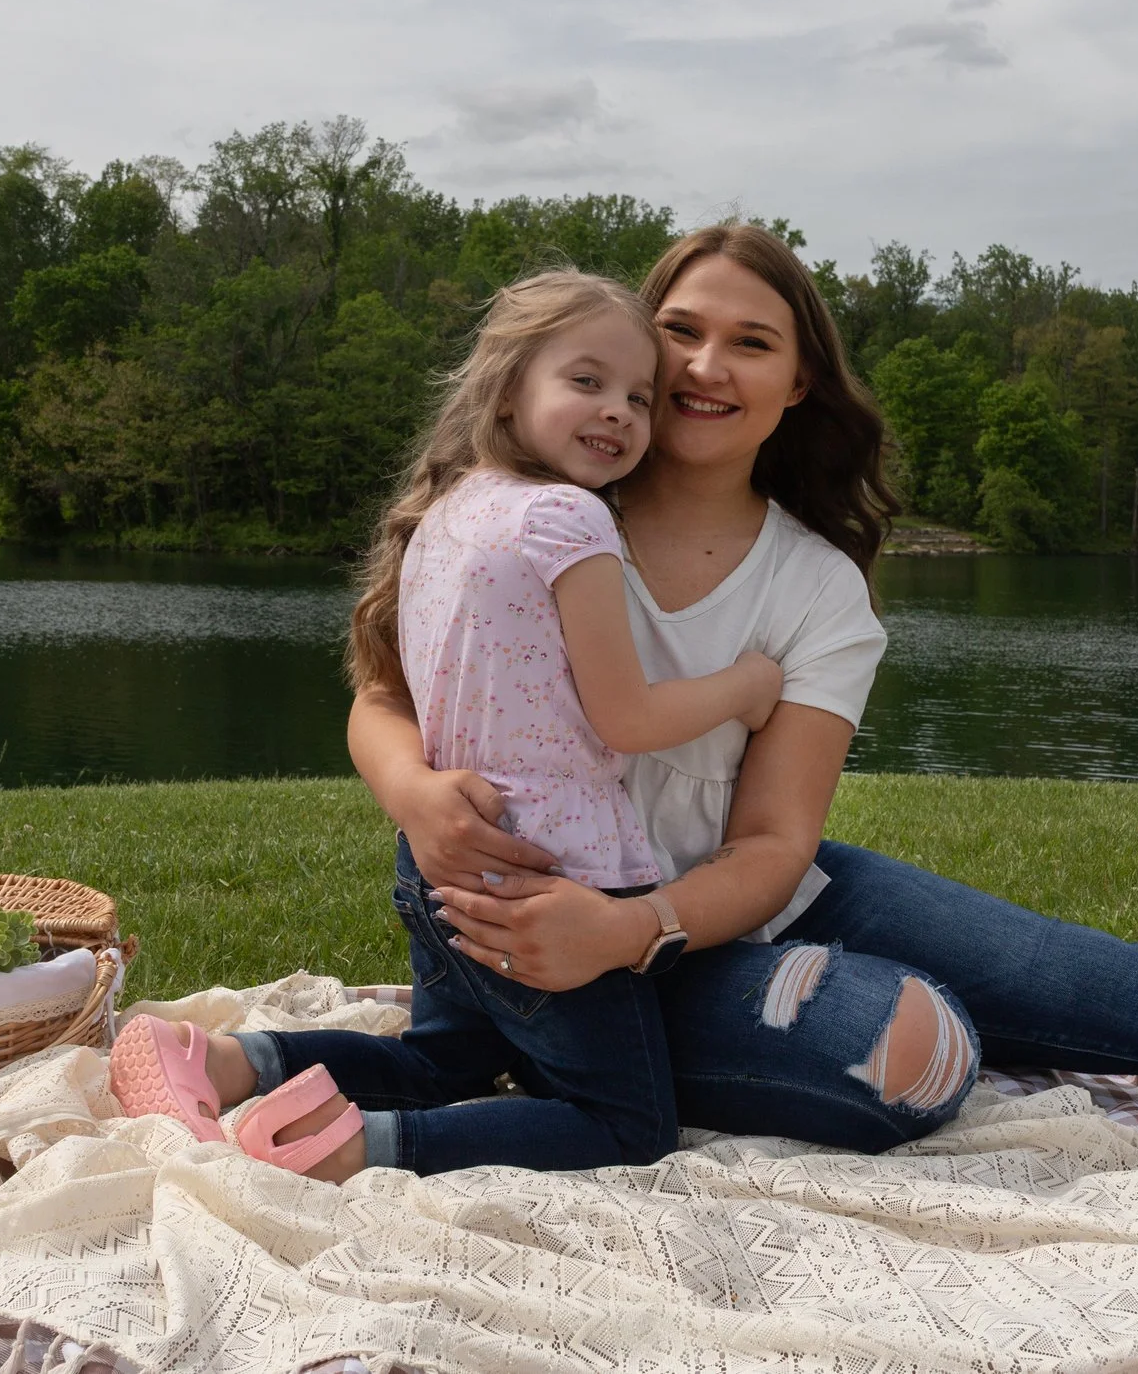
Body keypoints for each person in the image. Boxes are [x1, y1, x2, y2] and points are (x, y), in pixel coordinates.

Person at [326, 222, 1138, 1152]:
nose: (706, 367)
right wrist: (414, 794)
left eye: (751, 342)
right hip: (545, 907)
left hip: (731, 901)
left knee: (1123, 993)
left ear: (798, 383)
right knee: (905, 1054)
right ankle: (559, 1050)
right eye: (681, 332)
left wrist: (628, 931)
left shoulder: (814, 584)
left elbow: (772, 843)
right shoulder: (540, 502)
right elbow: (383, 697)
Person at [109, 269, 786, 1179]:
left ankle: (225, 1060)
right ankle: (358, 1149)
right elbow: (626, 716)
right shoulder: (571, 517)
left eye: (639, 396)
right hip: (550, 876)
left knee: (445, 1062)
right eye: (586, 381)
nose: (619, 411)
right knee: (629, 1125)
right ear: (508, 393)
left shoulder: (453, 505)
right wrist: (745, 685)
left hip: (436, 853)